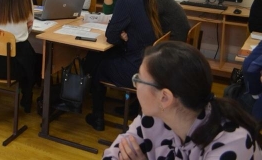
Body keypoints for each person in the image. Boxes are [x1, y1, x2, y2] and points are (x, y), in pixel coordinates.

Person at [103, 42, 262, 159]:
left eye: (139, 79)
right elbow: (113, 154)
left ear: (164, 97)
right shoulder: (155, 117)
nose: (136, 84)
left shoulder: (232, 143)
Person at [84, 0, 161, 131]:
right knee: (96, 57)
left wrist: (118, 34)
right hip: (147, 63)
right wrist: (121, 34)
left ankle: (97, 117)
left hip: (135, 69)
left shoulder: (125, 1)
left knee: (96, 64)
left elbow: (110, 36)